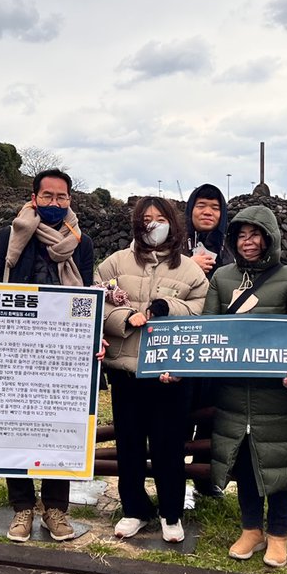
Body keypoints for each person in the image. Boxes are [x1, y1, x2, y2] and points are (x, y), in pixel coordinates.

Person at [0, 169, 95, 543]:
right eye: (46, 197)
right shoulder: (10, 236)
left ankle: (56, 508)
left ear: (69, 202)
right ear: (33, 198)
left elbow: (86, 298)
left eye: (61, 198)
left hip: (63, 349)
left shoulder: (82, 243)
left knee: (62, 425)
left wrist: (89, 335)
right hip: (15, 348)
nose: (54, 204)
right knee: (17, 424)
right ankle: (22, 508)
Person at [205, 205, 287, 568]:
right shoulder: (222, 278)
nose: (247, 242)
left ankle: (279, 535)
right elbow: (208, 330)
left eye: (255, 234)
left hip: (278, 390)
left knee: (279, 461)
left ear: (270, 236)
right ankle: (251, 528)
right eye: (240, 235)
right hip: (233, 389)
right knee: (246, 462)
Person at [98, 196, 208, 543]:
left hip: (171, 373)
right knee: (129, 443)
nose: (153, 225)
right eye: (146, 219)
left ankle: (171, 512)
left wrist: (166, 306)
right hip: (126, 369)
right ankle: (134, 509)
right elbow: (94, 301)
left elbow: (203, 309)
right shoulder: (115, 263)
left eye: (160, 219)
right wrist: (123, 318)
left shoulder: (190, 269)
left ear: (173, 224)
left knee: (169, 445)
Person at [183, 184, 233, 499]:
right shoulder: (173, 244)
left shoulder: (230, 248)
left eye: (214, 207)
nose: (207, 212)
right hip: (182, 344)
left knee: (213, 413)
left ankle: (205, 477)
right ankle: (172, 474)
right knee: (179, 413)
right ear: (190, 210)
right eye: (201, 206)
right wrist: (189, 264)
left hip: (218, 344)